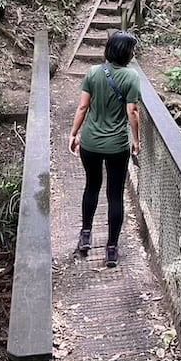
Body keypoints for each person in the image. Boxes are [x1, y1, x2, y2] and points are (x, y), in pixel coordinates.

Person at [68, 30, 141, 267]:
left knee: (91, 186)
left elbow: (82, 108)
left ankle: (86, 236)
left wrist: (74, 134)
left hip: (90, 142)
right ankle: (111, 249)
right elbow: (132, 112)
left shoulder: (93, 73)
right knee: (115, 194)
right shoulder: (131, 77)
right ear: (126, 53)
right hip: (117, 145)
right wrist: (136, 141)